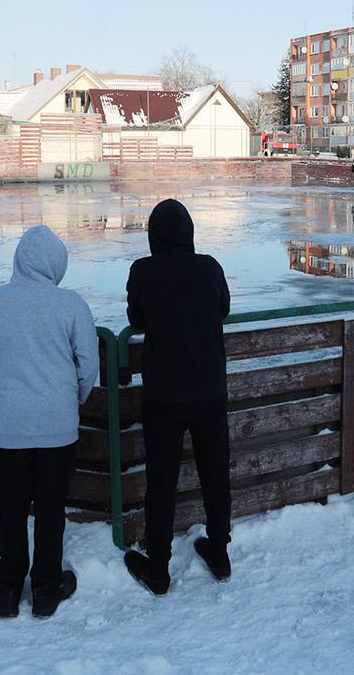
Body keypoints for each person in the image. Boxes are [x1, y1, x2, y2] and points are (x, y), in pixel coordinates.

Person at [0, 225, 99, 619]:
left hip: (8, 429)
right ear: (57, 264)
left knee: (11, 511)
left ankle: (8, 588)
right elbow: (88, 364)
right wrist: (73, 401)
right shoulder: (72, 304)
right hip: (58, 429)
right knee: (50, 510)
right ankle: (46, 588)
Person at [124, 199, 233, 595]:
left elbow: (136, 319)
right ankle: (219, 552)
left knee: (161, 483)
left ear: (153, 235)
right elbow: (223, 309)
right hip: (209, 391)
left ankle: (158, 567)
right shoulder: (210, 268)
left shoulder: (143, 271)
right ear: (189, 232)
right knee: (215, 475)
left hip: (164, 397)